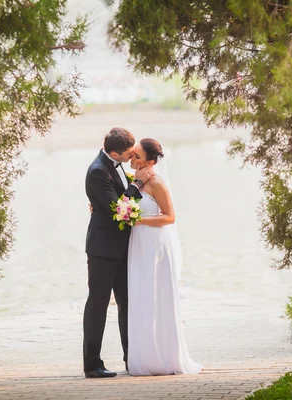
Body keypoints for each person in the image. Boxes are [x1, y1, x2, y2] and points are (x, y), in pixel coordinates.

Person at [127, 138, 202, 376]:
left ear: (150, 161)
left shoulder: (157, 183)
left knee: (156, 296)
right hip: (138, 245)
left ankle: (165, 357)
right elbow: (123, 205)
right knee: (140, 297)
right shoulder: (135, 182)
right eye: (132, 155)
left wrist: (139, 220)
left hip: (156, 246)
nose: (132, 159)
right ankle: (145, 357)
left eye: (137, 156)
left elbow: (170, 217)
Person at [83, 127, 154, 378]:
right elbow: (118, 209)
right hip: (102, 249)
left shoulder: (116, 164)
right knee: (98, 305)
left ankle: (131, 358)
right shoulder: (98, 171)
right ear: (115, 152)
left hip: (124, 248)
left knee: (127, 304)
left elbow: (117, 201)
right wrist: (136, 184)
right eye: (128, 153)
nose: (132, 155)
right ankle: (92, 364)